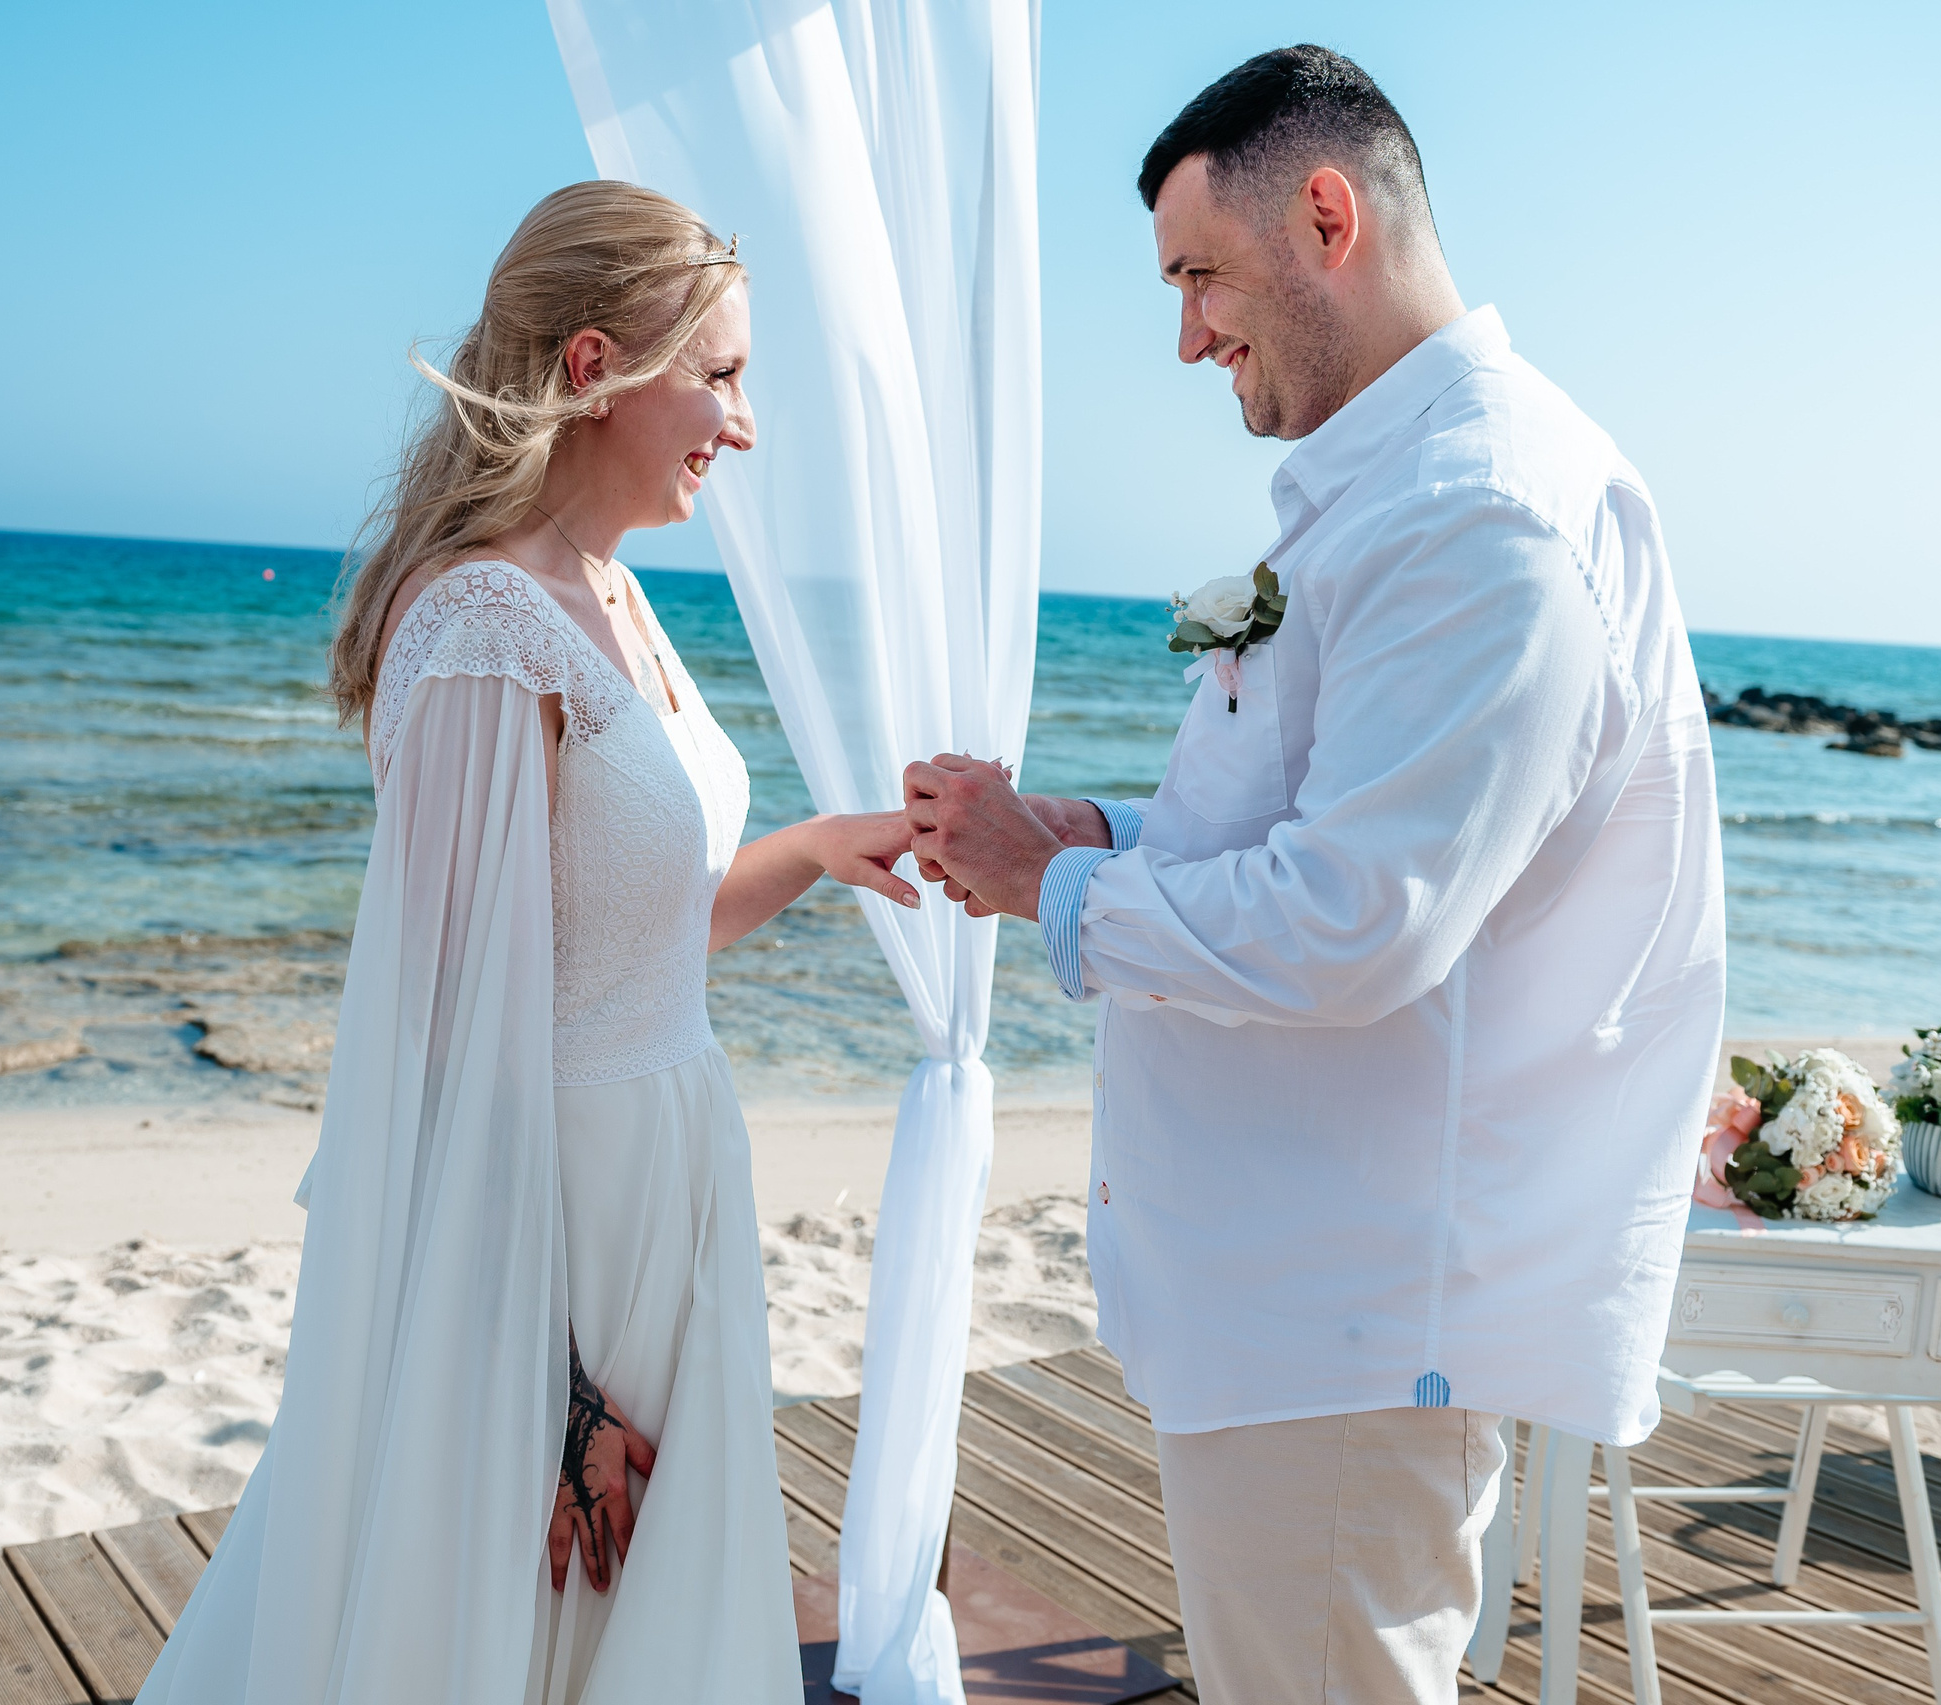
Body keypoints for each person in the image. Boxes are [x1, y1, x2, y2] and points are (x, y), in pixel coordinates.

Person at [903, 45, 1725, 1705]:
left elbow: (1364, 924)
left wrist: (1052, 898)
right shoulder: (1399, 492)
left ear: (1328, 216)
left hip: (1347, 1320)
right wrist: (1097, 840)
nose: (1188, 332)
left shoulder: (1480, 517)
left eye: (1199, 274)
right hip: (1293, 1309)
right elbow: (1325, 832)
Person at [136, 181, 916, 1705]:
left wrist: (824, 847)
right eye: (725, 376)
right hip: (545, 1246)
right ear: (592, 366)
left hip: (668, 1189)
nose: (743, 429)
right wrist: (550, 1398)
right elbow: (440, 1059)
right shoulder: (485, 627)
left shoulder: (612, 595)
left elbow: (636, 938)